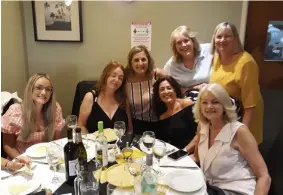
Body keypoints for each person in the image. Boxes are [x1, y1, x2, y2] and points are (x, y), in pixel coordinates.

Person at [192, 83, 270, 195]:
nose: (209, 107)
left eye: (215, 102)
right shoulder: (202, 126)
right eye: (205, 102)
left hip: (236, 190)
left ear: (224, 105)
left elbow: (264, 176)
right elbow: (196, 157)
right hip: (211, 189)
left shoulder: (239, 131)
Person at [210, 22, 264, 144]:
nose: (222, 40)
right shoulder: (216, 58)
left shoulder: (246, 63)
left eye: (227, 36)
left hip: (244, 116)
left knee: (244, 156)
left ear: (235, 39)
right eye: (219, 36)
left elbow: (250, 105)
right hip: (227, 116)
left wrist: (242, 135)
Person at [1, 73, 65, 159]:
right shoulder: (15, 112)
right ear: (30, 89)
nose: (43, 93)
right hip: (21, 160)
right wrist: (21, 160)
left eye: (48, 89)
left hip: (47, 159)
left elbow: (57, 141)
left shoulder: (55, 109)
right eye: (39, 88)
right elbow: (8, 145)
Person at [125, 45, 167, 135]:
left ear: (148, 60)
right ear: (130, 63)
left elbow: (174, 89)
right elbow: (126, 107)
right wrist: (130, 127)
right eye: (136, 60)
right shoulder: (126, 80)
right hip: (137, 125)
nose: (140, 63)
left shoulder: (156, 75)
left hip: (158, 123)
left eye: (143, 59)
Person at [78, 61, 128, 133]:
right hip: (95, 142)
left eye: (120, 78)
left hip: (118, 143)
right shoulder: (90, 97)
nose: (116, 80)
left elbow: (129, 129)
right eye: (113, 76)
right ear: (106, 76)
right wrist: (92, 142)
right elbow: (81, 125)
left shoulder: (123, 100)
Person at [164, 25, 213, 94]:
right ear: (175, 47)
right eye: (179, 43)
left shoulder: (208, 50)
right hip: (188, 100)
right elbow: (166, 87)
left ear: (193, 41)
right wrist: (192, 88)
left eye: (186, 41)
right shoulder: (171, 64)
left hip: (212, 96)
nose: (183, 45)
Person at [152, 76, 197, 149]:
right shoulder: (163, 116)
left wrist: (184, 151)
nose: (166, 92)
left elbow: (200, 133)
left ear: (175, 90)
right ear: (159, 95)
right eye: (162, 89)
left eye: (169, 88)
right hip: (174, 153)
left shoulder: (187, 104)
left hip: (194, 150)